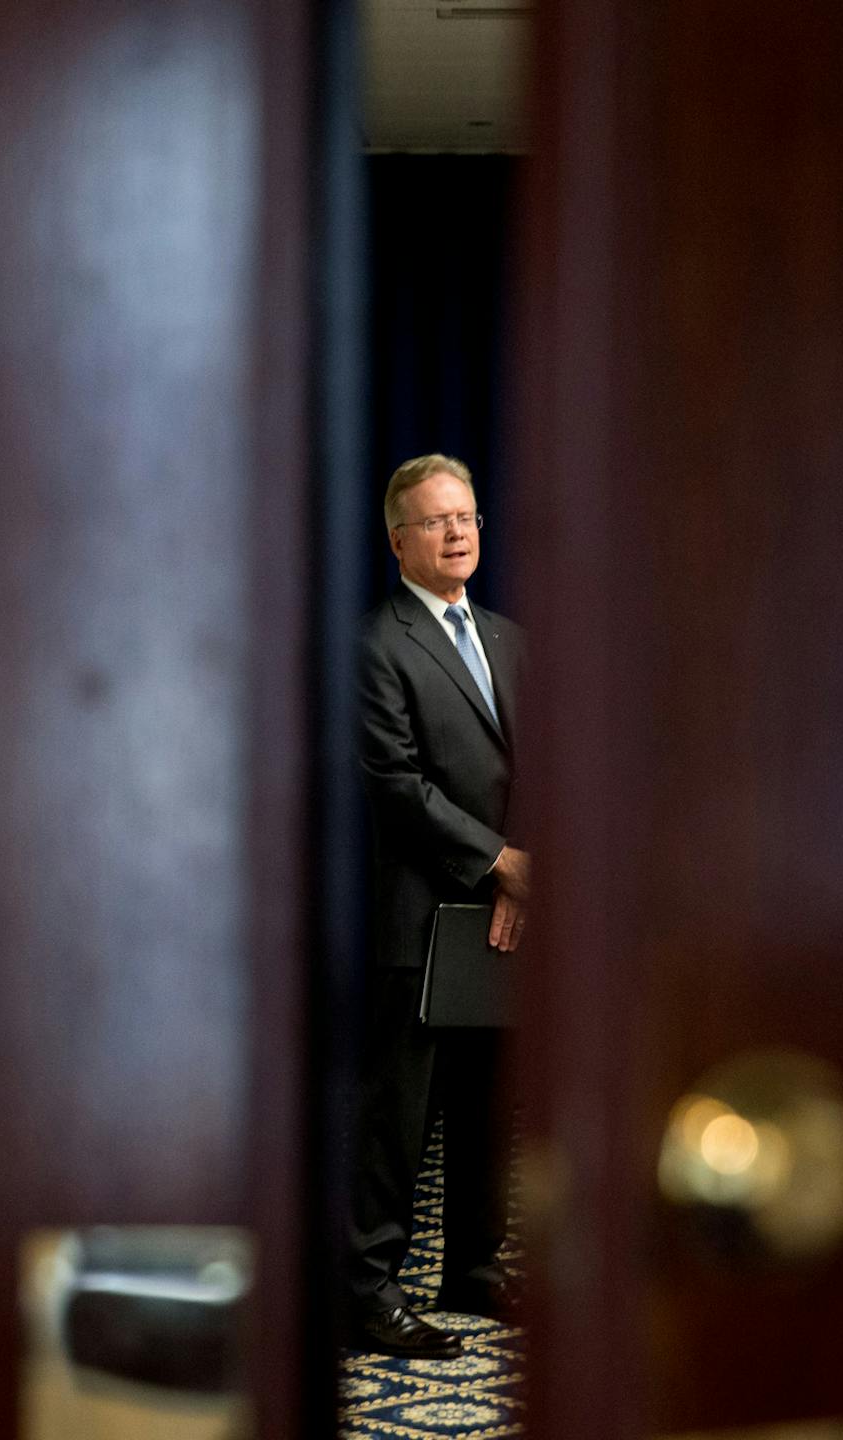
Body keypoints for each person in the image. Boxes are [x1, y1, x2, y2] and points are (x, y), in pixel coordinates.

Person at [346, 454, 531, 1358]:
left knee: (488, 1105)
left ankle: (474, 1272)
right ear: (397, 541)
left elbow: (546, 768)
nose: (458, 533)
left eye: (467, 516)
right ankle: (369, 1291)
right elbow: (397, 785)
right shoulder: (375, 645)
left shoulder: (509, 638)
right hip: (416, 917)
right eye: (436, 521)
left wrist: (525, 882)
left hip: (505, 915)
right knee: (400, 1116)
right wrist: (501, 861)